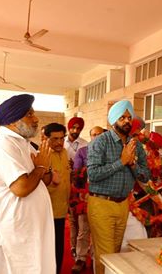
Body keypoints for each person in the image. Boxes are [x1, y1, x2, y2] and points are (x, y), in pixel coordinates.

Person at [0, 94, 55, 273]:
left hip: (22, 234)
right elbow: (21, 188)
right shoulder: (2, 144)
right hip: (4, 236)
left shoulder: (24, 143)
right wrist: (40, 167)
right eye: (29, 115)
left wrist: (44, 169)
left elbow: (46, 180)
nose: (36, 119)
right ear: (13, 121)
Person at [87, 100, 150, 274]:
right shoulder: (100, 142)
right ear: (113, 120)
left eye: (129, 117)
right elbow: (93, 175)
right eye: (122, 117)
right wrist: (121, 162)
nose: (127, 121)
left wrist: (132, 165)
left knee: (115, 255)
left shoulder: (135, 145)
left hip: (123, 204)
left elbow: (146, 175)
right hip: (101, 204)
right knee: (105, 254)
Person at [70, 126, 105, 273]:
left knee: (100, 230)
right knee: (83, 230)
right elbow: (77, 174)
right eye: (93, 135)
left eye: (99, 134)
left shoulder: (111, 152)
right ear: (90, 137)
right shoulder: (82, 152)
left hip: (105, 196)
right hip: (86, 195)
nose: (96, 137)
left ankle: (96, 257)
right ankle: (81, 258)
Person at [44, 123, 71, 274]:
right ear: (46, 138)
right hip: (47, 211)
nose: (59, 142)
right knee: (49, 249)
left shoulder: (65, 152)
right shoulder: (42, 156)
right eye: (55, 139)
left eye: (62, 138)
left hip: (62, 210)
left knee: (59, 247)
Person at [64, 116, 88, 260]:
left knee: (80, 219)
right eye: (73, 128)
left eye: (78, 128)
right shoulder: (62, 143)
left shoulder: (85, 145)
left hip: (81, 186)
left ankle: (79, 250)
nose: (75, 131)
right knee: (73, 219)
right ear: (69, 128)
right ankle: (73, 247)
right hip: (65, 184)